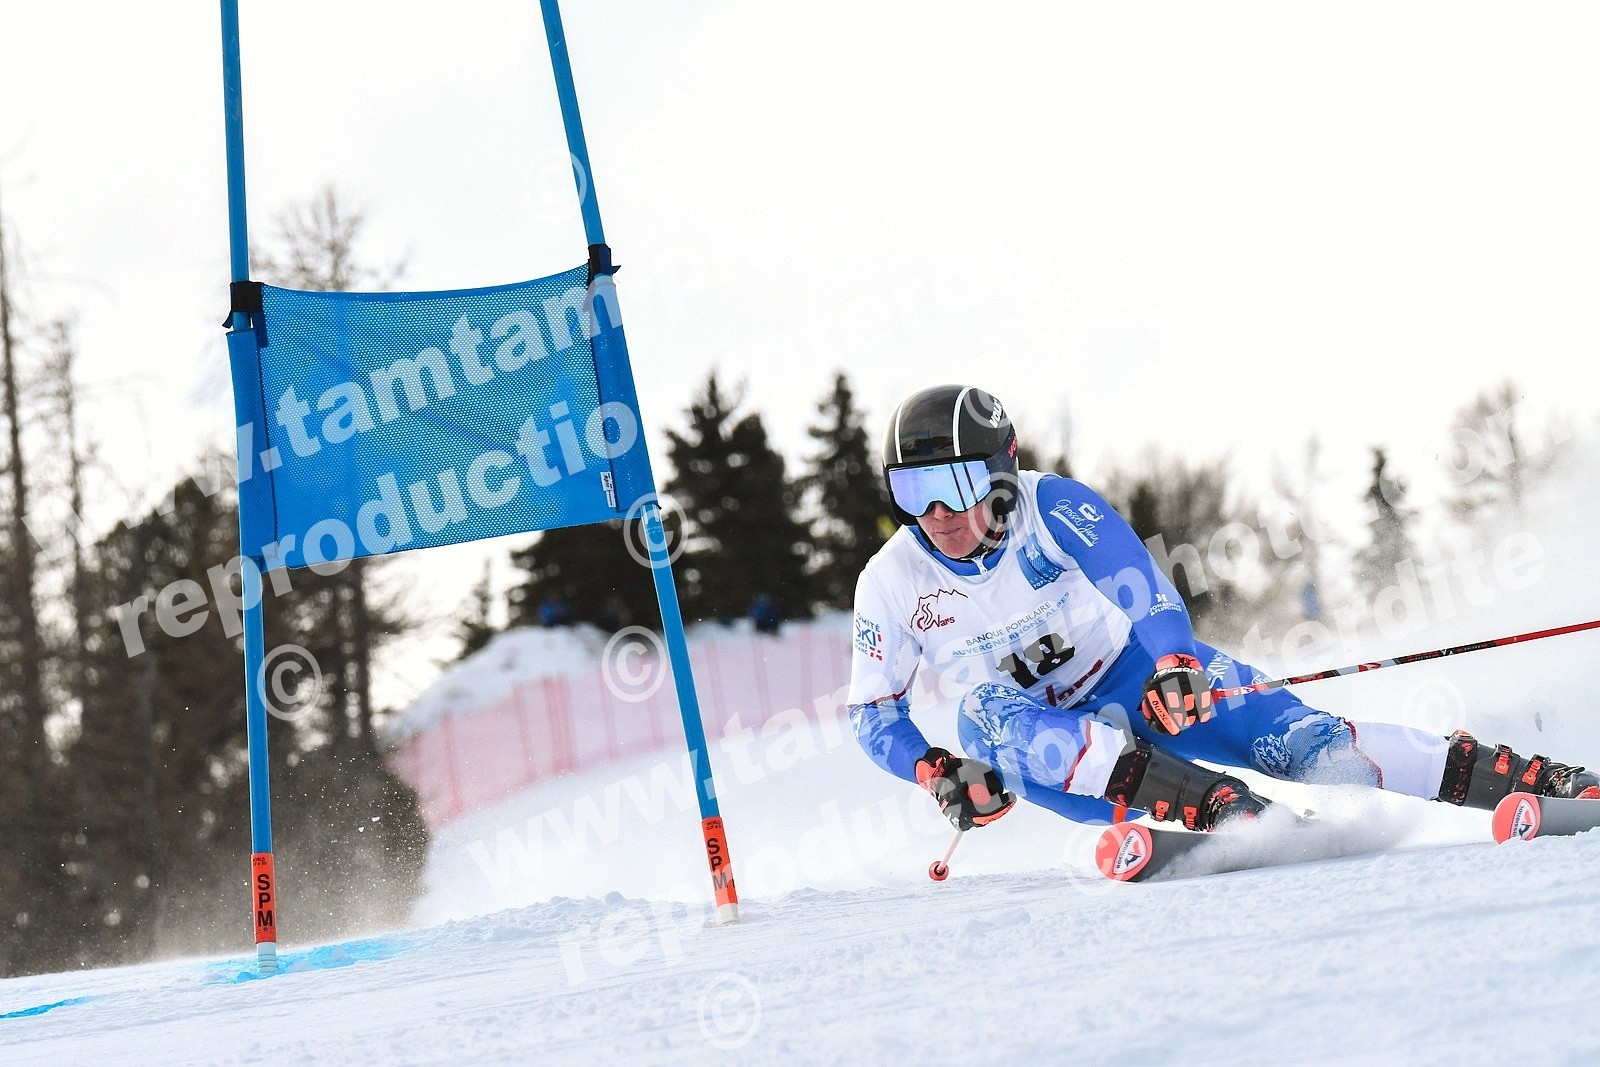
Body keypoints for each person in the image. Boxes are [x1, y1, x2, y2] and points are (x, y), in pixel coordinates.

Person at [847, 384, 1598, 840]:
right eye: (913, 492)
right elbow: (873, 713)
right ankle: (1224, 810)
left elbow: (1138, 584)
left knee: (1312, 747)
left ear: (1000, 473)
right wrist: (936, 773)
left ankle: (1537, 780)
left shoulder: (1052, 507)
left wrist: (1175, 661)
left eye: (952, 486)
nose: (936, 514)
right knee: (980, 714)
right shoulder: (890, 580)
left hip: (1141, 679)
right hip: (1053, 750)